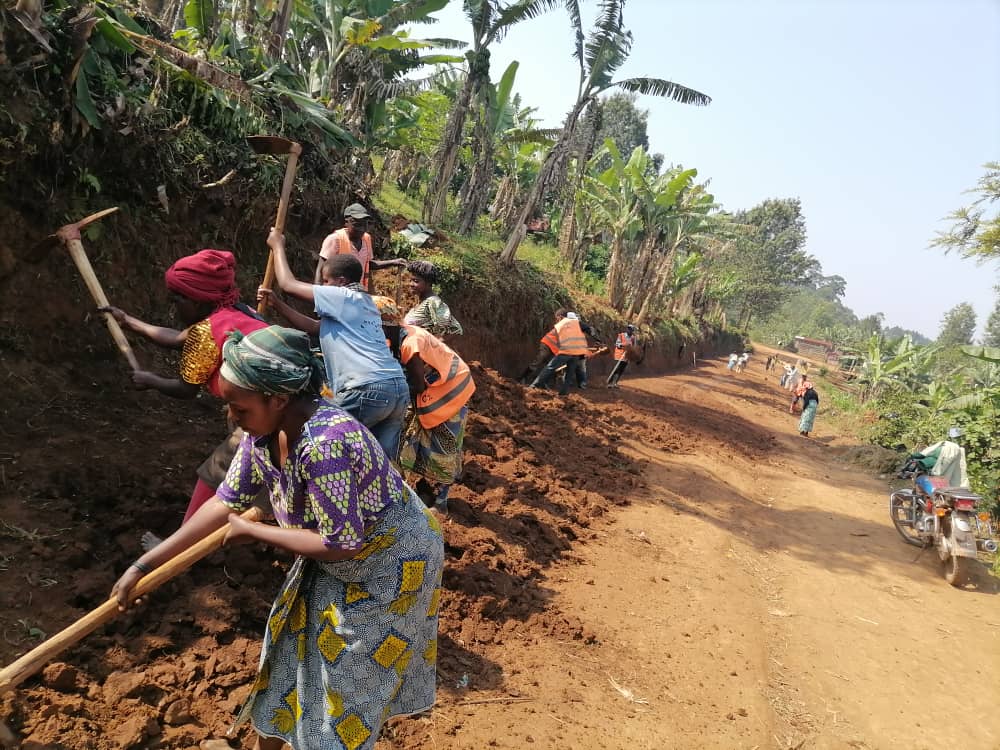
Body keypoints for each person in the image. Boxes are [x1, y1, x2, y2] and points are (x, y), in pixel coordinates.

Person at [111, 326, 444, 750]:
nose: (232, 417)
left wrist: (253, 530)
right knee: (291, 649)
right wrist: (145, 564)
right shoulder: (262, 433)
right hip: (333, 550)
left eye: (240, 407)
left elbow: (344, 543)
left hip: (391, 566)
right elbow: (223, 502)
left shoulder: (326, 444)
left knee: (344, 683)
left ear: (279, 399)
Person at [101, 249, 268, 528]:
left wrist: (150, 380)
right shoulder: (236, 312)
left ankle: (182, 542)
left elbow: (186, 389)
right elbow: (178, 339)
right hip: (273, 405)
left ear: (200, 299)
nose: (174, 305)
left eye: (179, 298)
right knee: (258, 471)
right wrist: (127, 321)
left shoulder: (206, 333)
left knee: (215, 473)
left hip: (263, 417)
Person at [268, 229, 410, 460]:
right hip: (396, 390)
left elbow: (287, 284)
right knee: (378, 466)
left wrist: (277, 246)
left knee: (318, 448)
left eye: (326, 281)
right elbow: (316, 328)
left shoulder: (343, 297)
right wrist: (278, 306)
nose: (323, 286)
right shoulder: (367, 303)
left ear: (341, 281)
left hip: (365, 389)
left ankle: (301, 492)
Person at [374, 297, 474, 511]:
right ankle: (423, 490)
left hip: (452, 387)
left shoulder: (410, 343)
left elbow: (418, 385)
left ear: (384, 325)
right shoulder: (401, 334)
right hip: (439, 383)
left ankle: (441, 502)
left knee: (444, 445)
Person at [315, 203, 406, 292]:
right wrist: (318, 297)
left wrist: (393, 262)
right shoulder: (335, 239)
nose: (362, 228)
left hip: (357, 294)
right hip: (336, 293)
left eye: (365, 224)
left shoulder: (366, 239)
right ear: (346, 222)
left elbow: (368, 264)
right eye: (357, 224)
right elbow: (320, 269)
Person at [531, 310, 589, 395]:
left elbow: (559, 341)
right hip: (577, 353)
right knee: (570, 373)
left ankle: (534, 386)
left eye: (557, 318)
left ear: (560, 317)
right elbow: (588, 330)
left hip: (566, 351)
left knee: (550, 368)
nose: (556, 319)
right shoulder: (578, 324)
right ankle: (564, 393)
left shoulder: (561, 324)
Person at [403, 261, 463, 337]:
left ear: (428, 283)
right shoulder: (420, 304)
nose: (411, 284)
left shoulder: (433, 302)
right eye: (410, 280)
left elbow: (452, 332)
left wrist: (431, 345)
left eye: (416, 281)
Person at [518, 309, 565, 385]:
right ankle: (523, 377)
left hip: (554, 349)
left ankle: (544, 383)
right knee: (539, 360)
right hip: (547, 344)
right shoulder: (563, 325)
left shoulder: (567, 326)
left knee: (552, 366)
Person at [607, 324, 637, 388]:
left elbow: (634, 347)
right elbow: (617, 344)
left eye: (631, 329)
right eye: (628, 329)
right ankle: (610, 383)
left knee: (621, 370)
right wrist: (624, 345)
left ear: (632, 331)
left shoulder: (633, 338)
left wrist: (631, 349)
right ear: (627, 329)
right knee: (616, 369)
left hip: (626, 357)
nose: (629, 330)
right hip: (619, 356)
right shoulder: (621, 335)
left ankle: (615, 383)